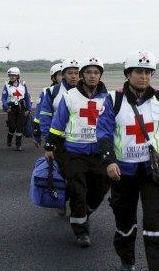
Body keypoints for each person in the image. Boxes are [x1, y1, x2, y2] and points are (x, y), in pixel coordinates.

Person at [96, 50, 159, 271]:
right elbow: (104, 133)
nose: (144, 76)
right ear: (128, 74)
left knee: (155, 219)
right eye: (139, 71)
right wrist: (109, 161)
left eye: (148, 72)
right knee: (125, 220)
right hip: (123, 172)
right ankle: (127, 257)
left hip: (153, 171)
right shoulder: (113, 100)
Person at [44, 57, 110, 247]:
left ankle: (84, 213)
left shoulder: (108, 98)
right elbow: (58, 124)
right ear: (82, 75)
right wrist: (50, 145)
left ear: (100, 76)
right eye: (88, 72)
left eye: (96, 72)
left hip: (99, 153)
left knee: (99, 190)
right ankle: (81, 231)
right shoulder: (70, 96)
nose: (92, 76)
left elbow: (115, 125)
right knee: (77, 192)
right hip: (75, 153)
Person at [38, 58, 81, 216]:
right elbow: (44, 115)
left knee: (79, 175)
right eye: (70, 73)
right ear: (63, 75)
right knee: (64, 173)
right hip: (59, 141)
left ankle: (77, 206)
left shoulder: (88, 92)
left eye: (77, 73)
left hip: (80, 141)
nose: (74, 76)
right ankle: (62, 201)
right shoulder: (53, 92)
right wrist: (47, 139)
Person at [32, 63, 63, 148]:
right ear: (53, 77)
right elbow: (38, 116)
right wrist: (37, 134)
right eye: (60, 74)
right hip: (53, 134)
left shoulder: (77, 92)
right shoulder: (47, 92)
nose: (64, 77)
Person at [1, 67, 32, 151]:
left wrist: (29, 109)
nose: (11, 77)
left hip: (22, 107)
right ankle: (9, 137)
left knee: (20, 127)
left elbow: (27, 97)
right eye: (10, 75)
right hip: (11, 108)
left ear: (17, 76)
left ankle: (18, 144)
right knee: (12, 126)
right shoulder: (7, 85)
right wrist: (6, 106)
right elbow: (3, 98)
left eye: (13, 75)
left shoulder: (23, 84)